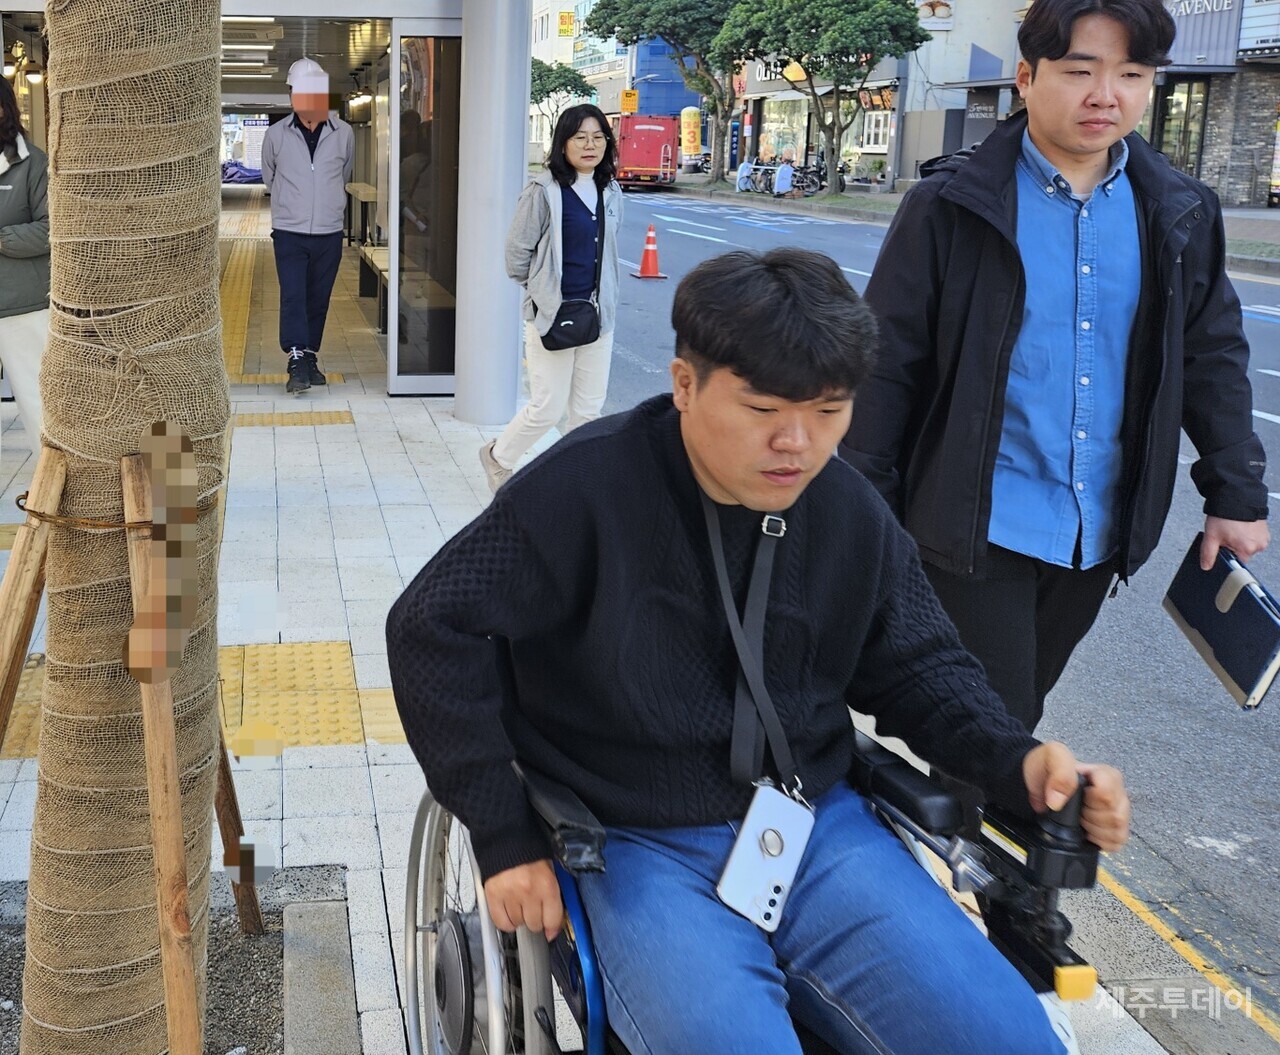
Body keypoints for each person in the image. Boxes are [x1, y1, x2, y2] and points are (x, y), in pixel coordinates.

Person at [388, 249, 1131, 1055]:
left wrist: (1020, 763)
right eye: (764, 408)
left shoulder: (846, 509)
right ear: (684, 384)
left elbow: (923, 666)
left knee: (1010, 1038)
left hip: (816, 823)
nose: (797, 443)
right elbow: (429, 625)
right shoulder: (581, 491)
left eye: (828, 411)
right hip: (633, 839)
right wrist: (504, 837)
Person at [843, 0, 1269, 742]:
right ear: (1026, 78)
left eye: (1132, 74)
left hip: (1096, 528)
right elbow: (883, 366)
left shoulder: (1177, 211)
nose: (1106, 94)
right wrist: (863, 514)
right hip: (975, 522)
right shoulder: (952, 206)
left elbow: (1211, 353)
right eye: (1080, 71)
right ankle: (967, 839)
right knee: (991, 732)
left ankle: (957, 836)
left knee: (1009, 717)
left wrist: (1236, 492)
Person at [479, 104, 623, 493]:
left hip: (597, 316)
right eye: (580, 137)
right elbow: (516, 255)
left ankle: (578, 483)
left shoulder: (610, 189)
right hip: (553, 315)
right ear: (563, 144)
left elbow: (607, 250)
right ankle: (498, 457)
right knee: (547, 407)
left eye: (598, 137)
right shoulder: (543, 191)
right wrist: (543, 293)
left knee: (587, 412)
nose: (590, 145)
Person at [260, 57, 355, 395]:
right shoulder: (275, 135)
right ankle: (296, 357)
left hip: (329, 231)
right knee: (294, 296)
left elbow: (342, 175)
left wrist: (326, 205)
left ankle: (309, 356)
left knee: (318, 298)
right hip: (289, 231)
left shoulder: (343, 134)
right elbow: (269, 177)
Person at [0, 75, 48, 462]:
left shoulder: (33, 164)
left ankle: (57, 487)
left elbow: (54, 229)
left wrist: (1, 240)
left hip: (21, 304)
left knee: (37, 401)